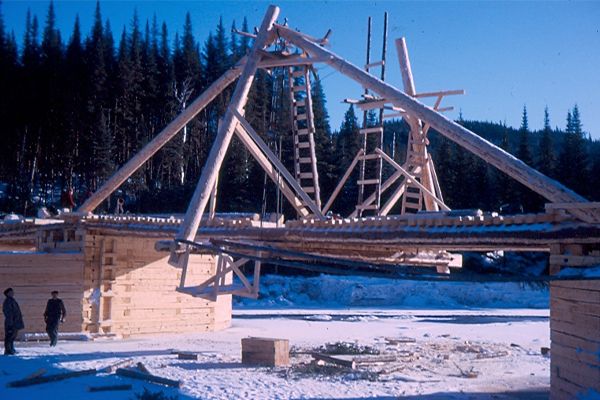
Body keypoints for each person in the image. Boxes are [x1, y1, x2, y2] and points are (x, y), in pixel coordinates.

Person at [3, 288, 24, 355]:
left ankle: (11, 349)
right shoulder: (7, 301)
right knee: (9, 337)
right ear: (7, 293)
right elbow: (8, 313)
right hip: (11, 322)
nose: (12, 293)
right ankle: (8, 350)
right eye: (11, 292)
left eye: (12, 292)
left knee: (13, 336)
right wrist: (10, 323)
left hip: (15, 322)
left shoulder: (12, 300)